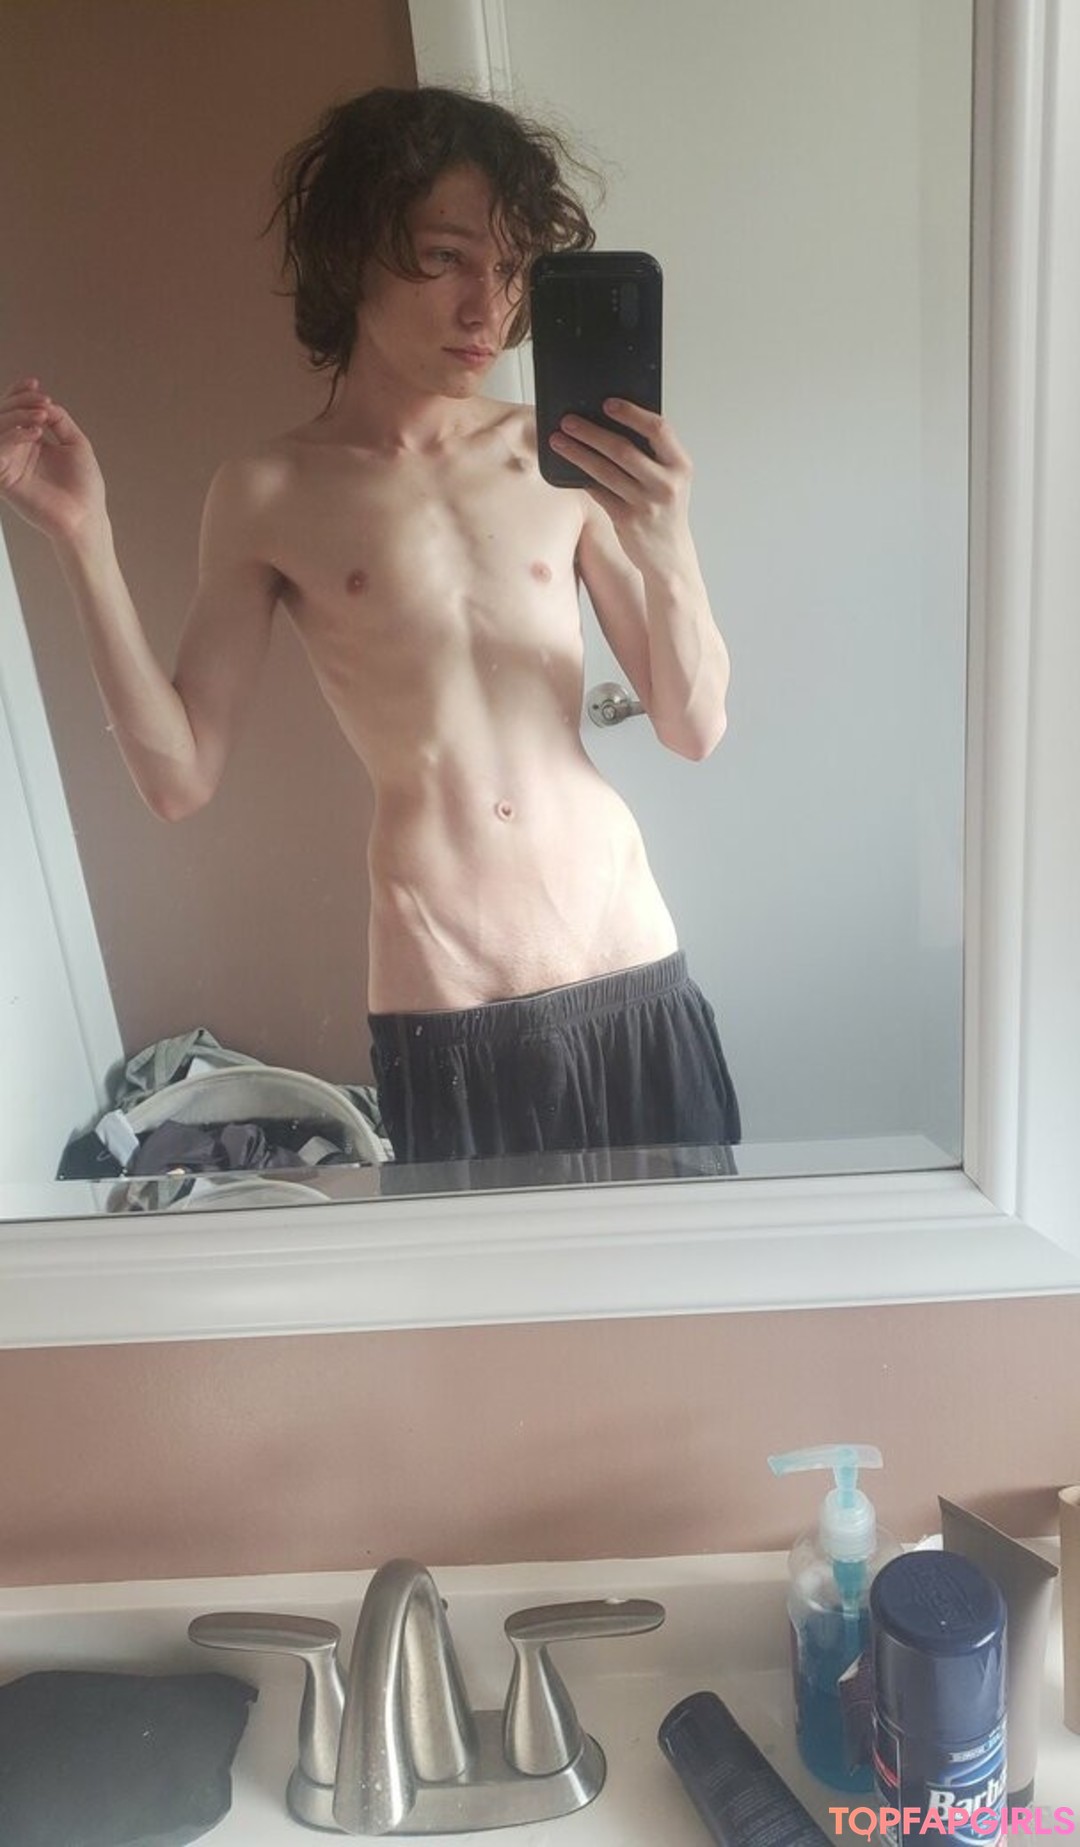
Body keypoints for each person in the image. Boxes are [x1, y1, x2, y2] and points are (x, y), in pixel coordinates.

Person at [0, 85, 740, 1165]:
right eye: (446, 258)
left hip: (628, 958)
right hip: (445, 999)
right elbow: (177, 776)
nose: (487, 308)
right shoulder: (267, 491)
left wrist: (668, 540)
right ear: (353, 255)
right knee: (492, 1283)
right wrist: (85, 539)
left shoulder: (557, 458)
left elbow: (693, 723)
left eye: (511, 266)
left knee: (696, 1266)